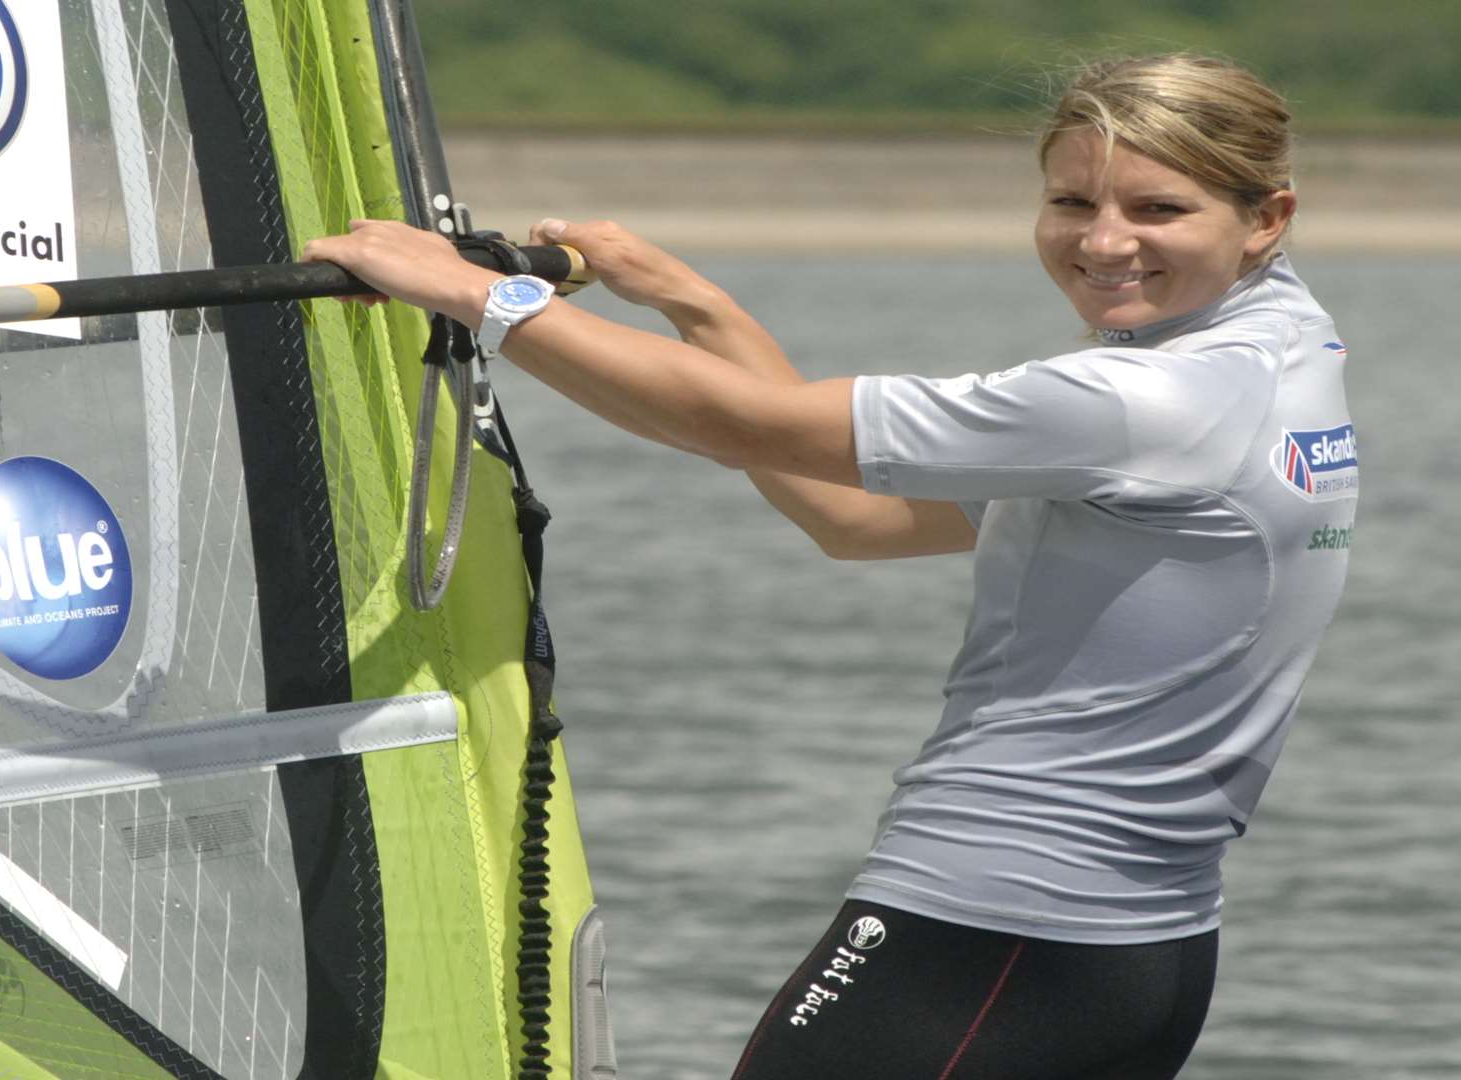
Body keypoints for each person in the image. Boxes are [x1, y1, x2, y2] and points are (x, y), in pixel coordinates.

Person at [306, 53, 1356, 1080]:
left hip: (986, 933)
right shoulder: (1282, 359)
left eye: (1158, 210)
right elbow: (855, 517)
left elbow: (743, 422)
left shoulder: (1146, 403)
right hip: (1136, 960)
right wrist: (691, 300)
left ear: (1267, 217)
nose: (1105, 240)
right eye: (1073, 201)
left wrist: (458, 289)